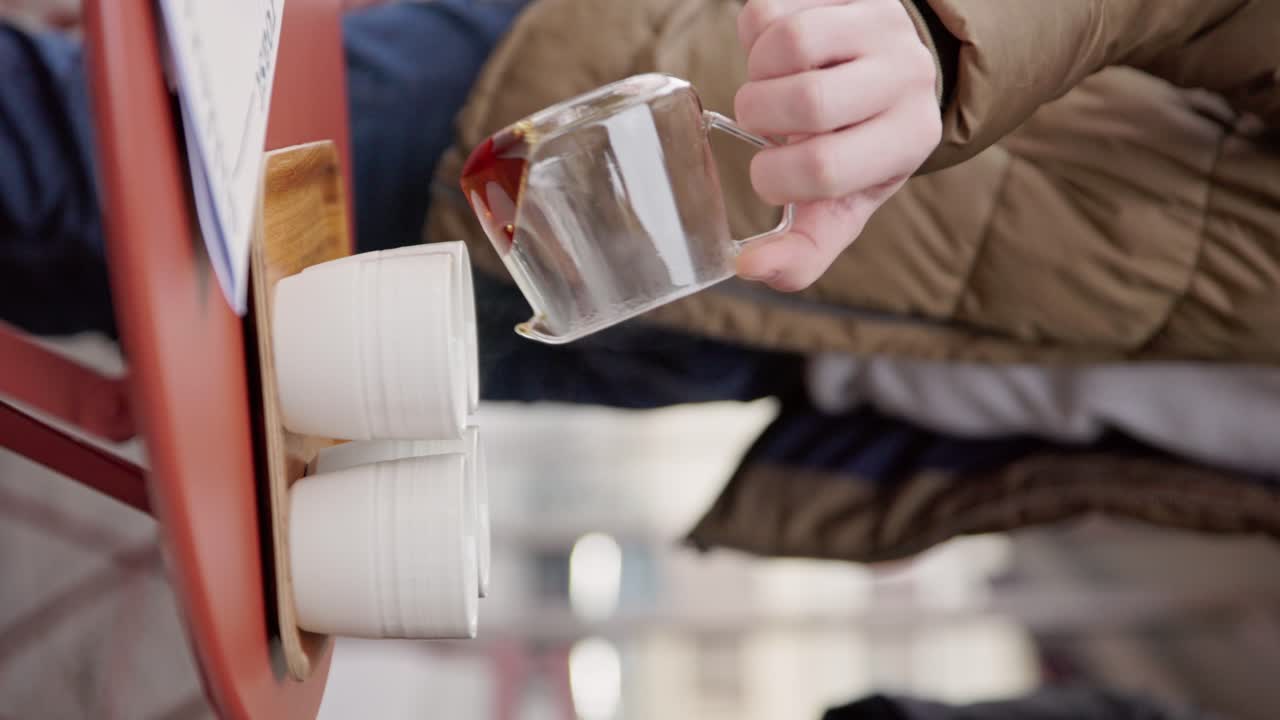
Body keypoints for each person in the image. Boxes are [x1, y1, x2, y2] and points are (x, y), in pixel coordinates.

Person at [3, 0, 1280, 557]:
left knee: (152, 308)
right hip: (662, 140)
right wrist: (948, 39)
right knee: (82, 164)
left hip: (730, 334)